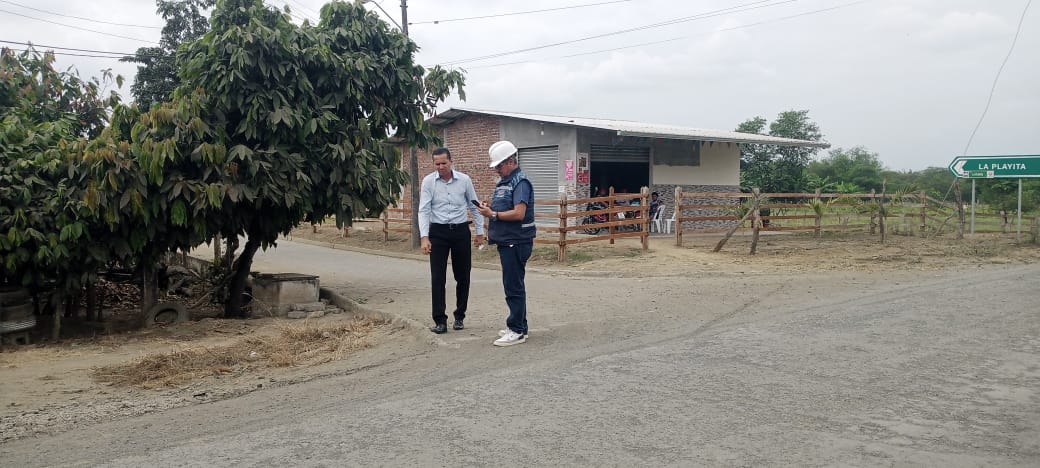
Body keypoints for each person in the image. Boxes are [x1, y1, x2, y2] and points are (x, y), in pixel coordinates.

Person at [418, 147, 485, 334]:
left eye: (444, 163)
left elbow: (474, 205)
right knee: (437, 277)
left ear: (451, 162)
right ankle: (440, 320)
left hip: (460, 231)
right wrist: (424, 237)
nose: (440, 167)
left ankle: (460, 316)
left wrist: (480, 232)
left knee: (463, 275)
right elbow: (424, 210)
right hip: (438, 232)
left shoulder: (464, 180)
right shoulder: (428, 182)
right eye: (437, 164)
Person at [476, 141, 536, 347]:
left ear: (510, 161)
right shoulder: (505, 182)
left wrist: (492, 214)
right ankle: (520, 326)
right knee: (514, 284)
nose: (497, 169)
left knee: (513, 287)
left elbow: (519, 213)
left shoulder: (520, 182)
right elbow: (505, 206)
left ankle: (516, 329)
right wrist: (490, 207)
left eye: (499, 165)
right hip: (508, 241)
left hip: (516, 241)